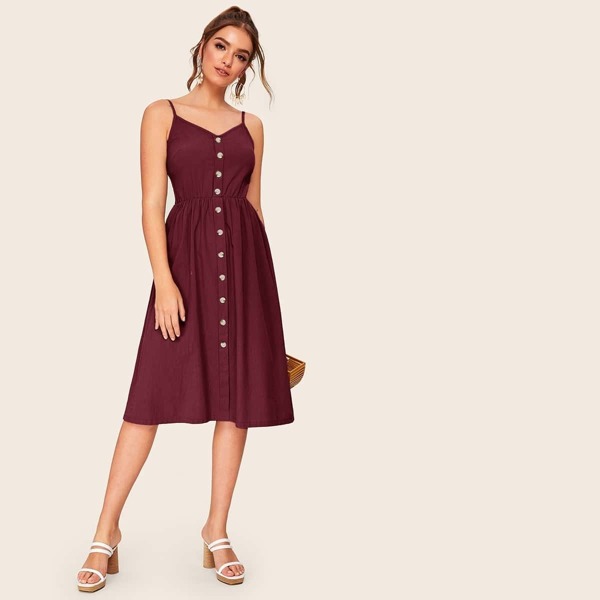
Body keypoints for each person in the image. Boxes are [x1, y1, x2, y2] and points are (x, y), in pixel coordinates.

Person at [76, 6, 295, 591]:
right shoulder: (161, 114)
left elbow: (254, 208)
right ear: (202, 47)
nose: (229, 60)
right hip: (184, 269)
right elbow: (152, 204)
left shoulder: (253, 127)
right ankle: (105, 532)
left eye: (241, 55)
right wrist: (165, 281)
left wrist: (264, 304)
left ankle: (215, 529)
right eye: (221, 46)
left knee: (237, 405)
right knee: (146, 401)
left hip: (246, 272)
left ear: (248, 66)